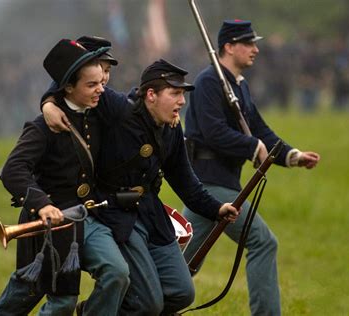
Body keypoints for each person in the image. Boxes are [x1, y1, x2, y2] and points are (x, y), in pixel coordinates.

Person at [42, 58, 239, 315]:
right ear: (151, 95)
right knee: (149, 304)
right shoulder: (118, 109)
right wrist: (48, 102)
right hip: (116, 214)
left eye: (182, 94)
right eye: (175, 94)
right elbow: (72, 73)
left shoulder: (171, 129)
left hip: (151, 215)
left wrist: (217, 208)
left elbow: (185, 180)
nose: (182, 101)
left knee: (182, 293)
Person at [183, 20, 321, 316]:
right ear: (229, 47)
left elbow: (260, 129)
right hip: (209, 183)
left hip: (221, 183)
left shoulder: (238, 86)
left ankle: (141, 303)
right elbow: (213, 132)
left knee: (179, 266)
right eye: (248, 43)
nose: (256, 49)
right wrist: (252, 147)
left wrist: (293, 156)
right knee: (263, 242)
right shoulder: (209, 81)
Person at [0, 39, 130, 316]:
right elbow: (13, 169)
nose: (101, 89)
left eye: (100, 82)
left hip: (86, 218)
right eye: (91, 85)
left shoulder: (97, 114)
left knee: (117, 273)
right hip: (49, 222)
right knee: (33, 293)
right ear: (68, 87)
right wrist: (42, 204)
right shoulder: (42, 126)